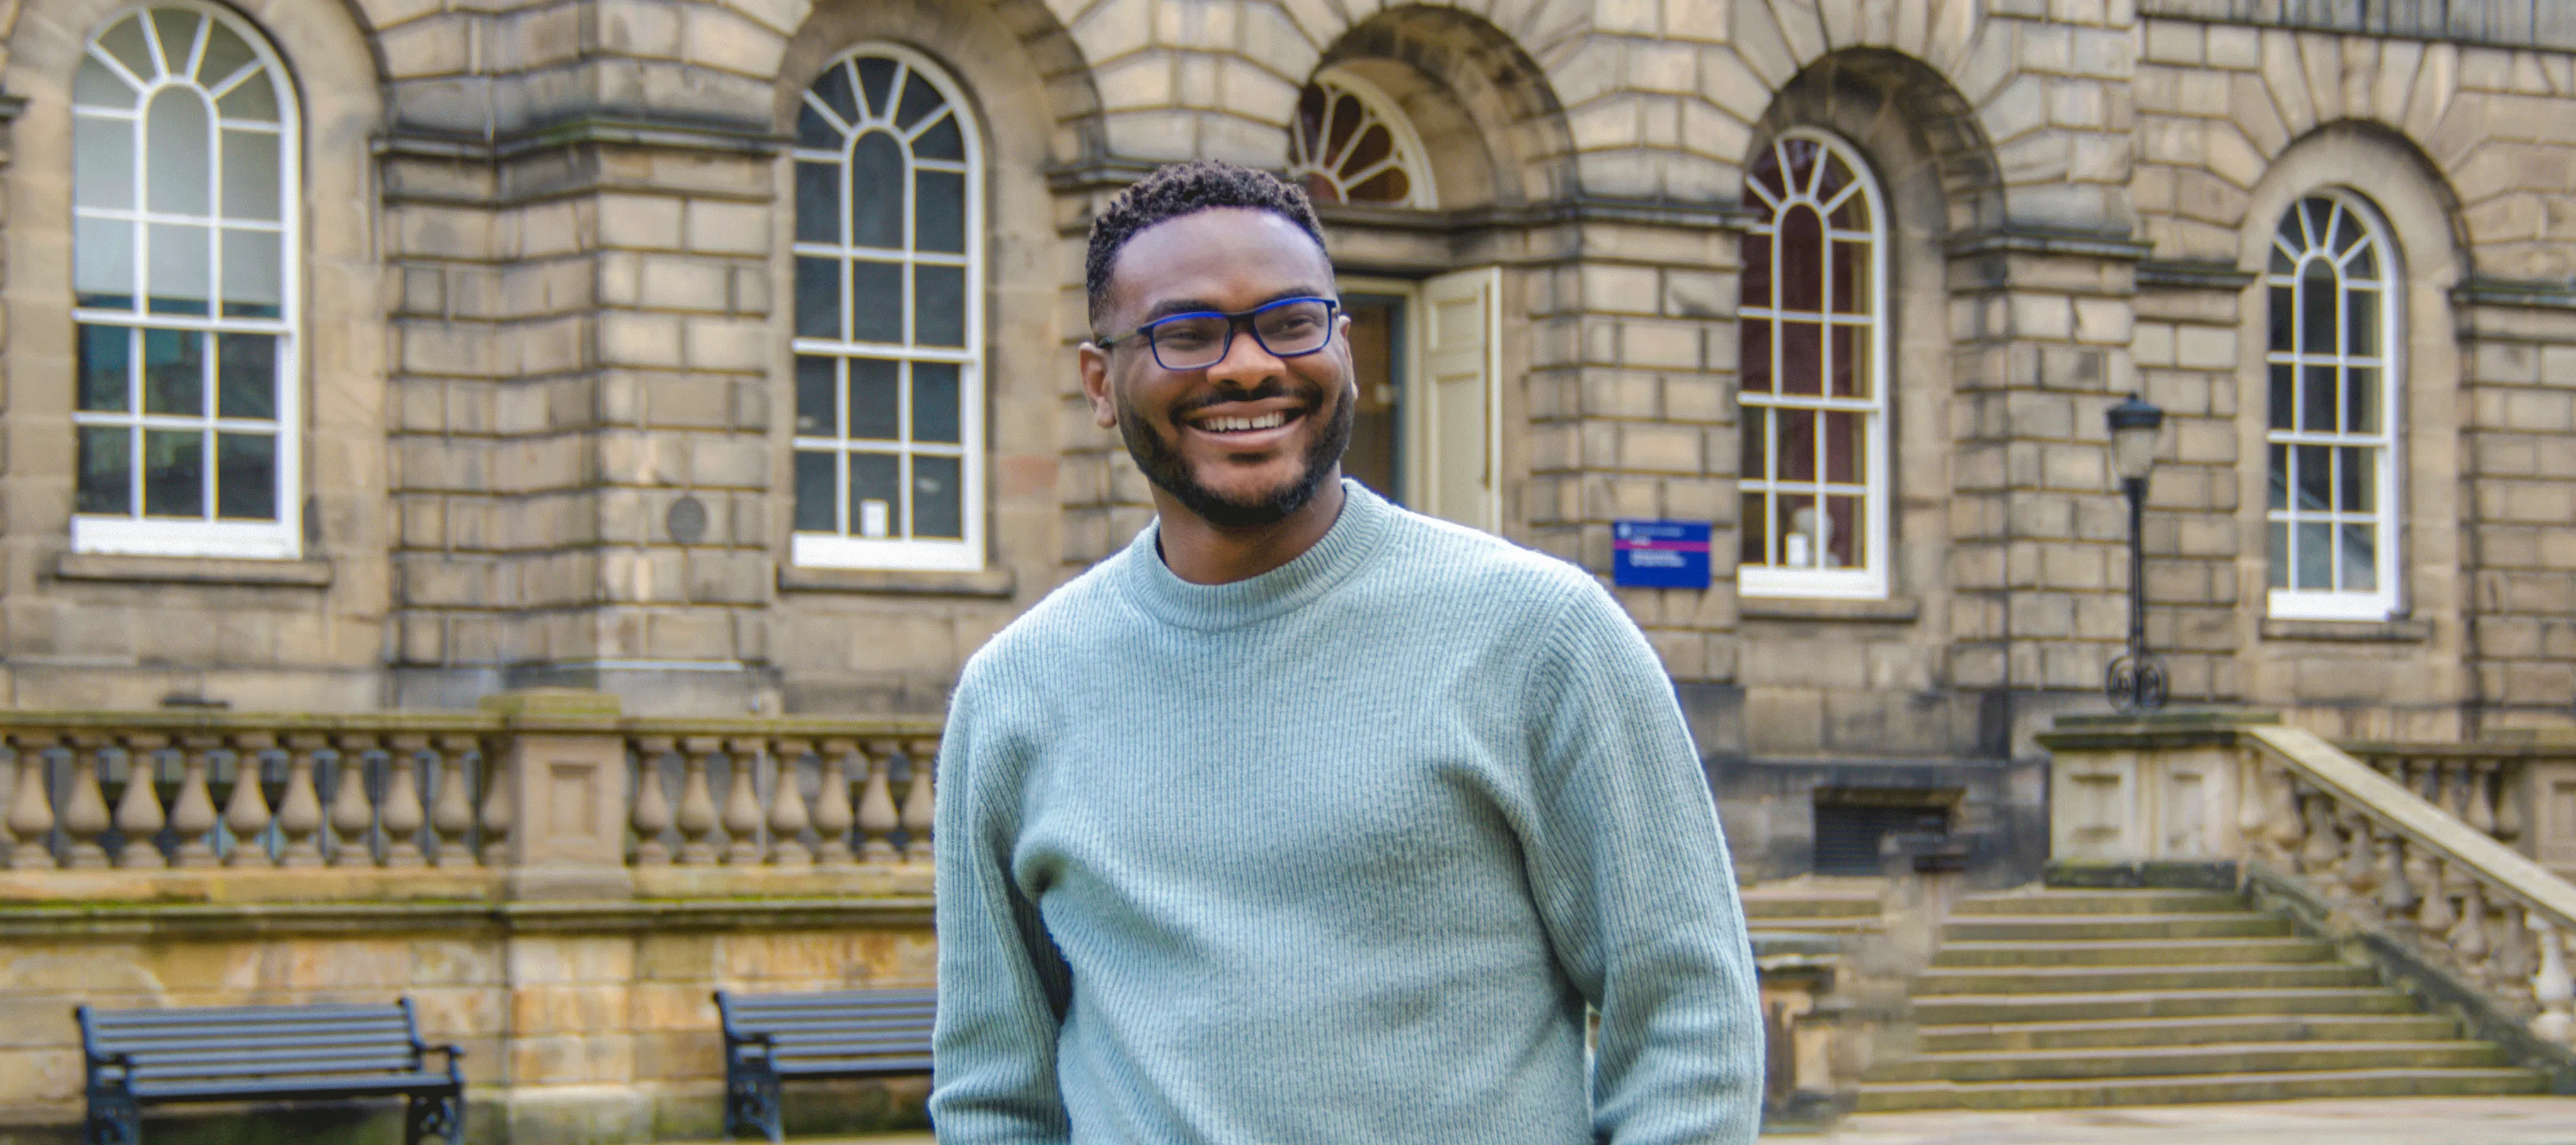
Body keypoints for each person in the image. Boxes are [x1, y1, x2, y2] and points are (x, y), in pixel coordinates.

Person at [930, 159, 1762, 1143]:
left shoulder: (1542, 636)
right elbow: (994, 1092)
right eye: (1186, 333)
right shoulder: (1016, 692)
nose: (1246, 365)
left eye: (1290, 321)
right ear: (1101, 381)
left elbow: (1689, 1028)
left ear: (1345, 349)